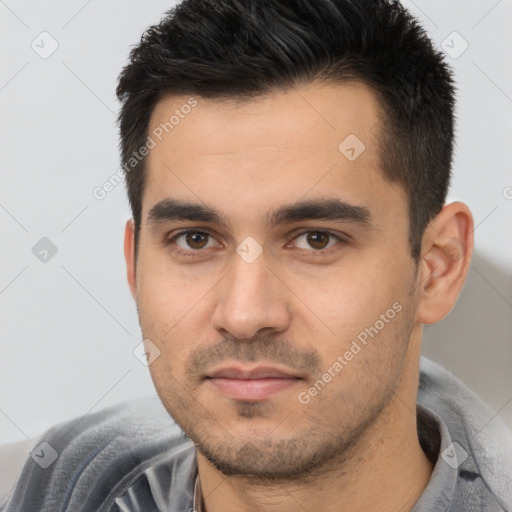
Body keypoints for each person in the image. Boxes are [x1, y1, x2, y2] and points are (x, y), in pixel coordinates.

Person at [2, 0, 511, 511]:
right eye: (194, 240)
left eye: (317, 240)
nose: (244, 315)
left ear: (437, 268)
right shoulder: (64, 483)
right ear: (135, 264)